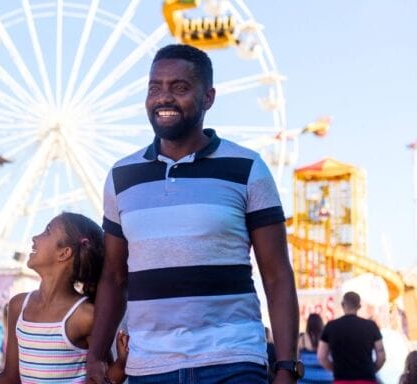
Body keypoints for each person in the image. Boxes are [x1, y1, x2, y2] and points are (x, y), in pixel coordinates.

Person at [87, 44, 301, 384]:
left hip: (233, 359)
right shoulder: (121, 176)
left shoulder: (248, 168)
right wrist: (96, 356)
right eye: (154, 87)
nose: (163, 97)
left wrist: (287, 367)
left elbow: (276, 274)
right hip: (149, 365)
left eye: (180, 87)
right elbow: (114, 275)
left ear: (209, 98)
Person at [0, 212, 129, 384]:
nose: (34, 237)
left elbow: (102, 379)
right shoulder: (18, 306)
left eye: (47, 231)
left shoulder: (85, 316)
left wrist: (122, 365)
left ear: (64, 253)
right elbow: (11, 377)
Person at [317, 291, 385, 383]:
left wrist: (336, 370)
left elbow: (322, 356)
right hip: (367, 379)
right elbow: (381, 354)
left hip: (341, 380)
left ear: (342, 305)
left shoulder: (331, 326)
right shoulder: (371, 326)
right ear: (359, 306)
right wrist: (372, 370)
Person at [298, 314, 333, 384]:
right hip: (326, 379)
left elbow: (296, 358)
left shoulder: (302, 340)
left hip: (306, 379)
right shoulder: (328, 338)